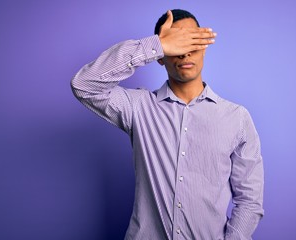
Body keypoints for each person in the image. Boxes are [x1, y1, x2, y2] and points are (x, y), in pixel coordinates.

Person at [71, 9, 264, 240]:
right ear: (161, 56)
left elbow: (250, 202)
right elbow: (84, 85)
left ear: (203, 47)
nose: (184, 53)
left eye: (191, 40)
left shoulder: (237, 118)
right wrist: (154, 46)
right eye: (176, 43)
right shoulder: (138, 107)